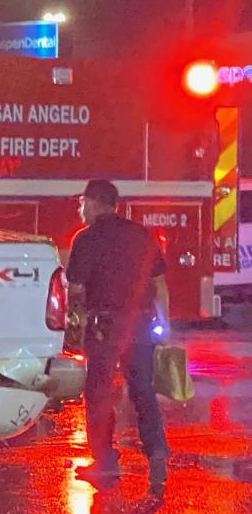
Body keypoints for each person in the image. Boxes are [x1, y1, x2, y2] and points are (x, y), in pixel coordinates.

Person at [66, 178, 168, 488]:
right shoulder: (140, 234)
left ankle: (105, 461)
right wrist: (166, 322)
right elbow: (160, 280)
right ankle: (157, 452)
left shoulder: (85, 239)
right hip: (140, 323)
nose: (81, 209)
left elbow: (77, 289)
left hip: (104, 327)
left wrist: (72, 324)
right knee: (142, 389)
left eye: (82, 203)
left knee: (99, 392)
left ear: (95, 203)